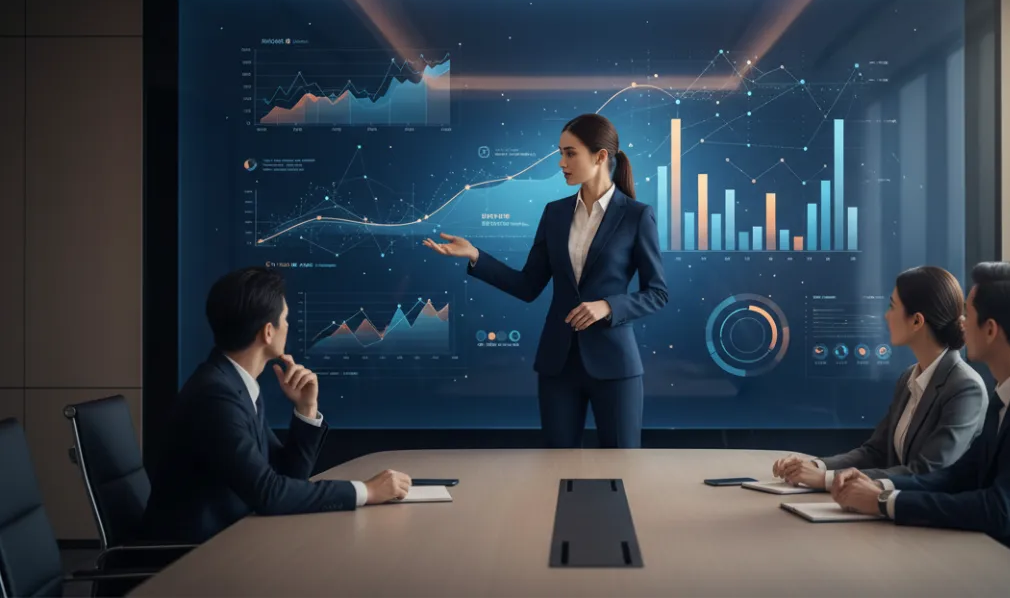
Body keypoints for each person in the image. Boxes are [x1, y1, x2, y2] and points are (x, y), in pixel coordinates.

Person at [831, 262, 1010, 568]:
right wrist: (880, 487)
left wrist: (884, 503)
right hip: (1002, 561)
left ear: (990, 330)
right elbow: (959, 475)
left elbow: (999, 510)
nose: (960, 323)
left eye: (968, 313)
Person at [425, 113, 668, 448]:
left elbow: (657, 293)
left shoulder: (637, 216)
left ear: (600, 157)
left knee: (622, 469)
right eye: (561, 152)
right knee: (557, 471)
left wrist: (607, 306)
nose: (561, 162)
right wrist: (475, 256)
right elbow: (528, 285)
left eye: (570, 153)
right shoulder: (554, 213)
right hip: (558, 367)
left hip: (616, 367)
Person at [142, 267, 412, 543]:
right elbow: (269, 494)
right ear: (268, 332)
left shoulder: (234, 383)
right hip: (191, 558)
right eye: (285, 319)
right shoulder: (215, 397)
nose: (288, 326)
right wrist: (366, 492)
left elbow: (287, 478)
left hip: (229, 541)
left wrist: (306, 410)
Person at [773, 266, 986, 489]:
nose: (886, 315)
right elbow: (876, 451)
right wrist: (817, 466)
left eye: (892, 307)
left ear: (916, 321)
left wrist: (827, 480)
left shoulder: (965, 387)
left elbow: (928, 470)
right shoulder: (908, 378)